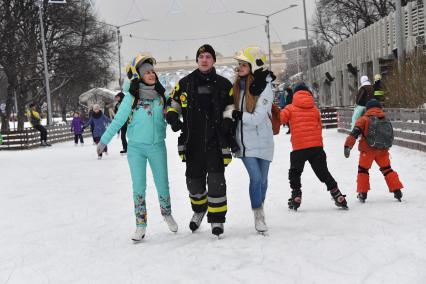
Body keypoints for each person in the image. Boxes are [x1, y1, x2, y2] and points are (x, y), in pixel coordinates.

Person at [98, 54, 177, 242]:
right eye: (147, 72)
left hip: (157, 146)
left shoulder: (161, 95)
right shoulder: (131, 98)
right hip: (136, 149)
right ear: (139, 76)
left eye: (152, 71)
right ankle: (140, 225)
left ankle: (166, 214)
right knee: (139, 187)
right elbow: (118, 121)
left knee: (162, 183)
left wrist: (176, 113)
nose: (151, 74)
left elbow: (175, 109)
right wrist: (103, 141)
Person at [166, 44, 233, 237]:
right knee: (193, 183)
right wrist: (172, 116)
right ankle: (199, 209)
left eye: (208, 57)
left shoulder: (224, 84)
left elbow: (230, 107)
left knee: (216, 181)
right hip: (192, 141)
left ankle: (217, 219)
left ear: (213, 60)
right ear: (197, 60)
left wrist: (228, 121)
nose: (204, 60)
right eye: (201, 56)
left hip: (216, 140)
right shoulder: (184, 83)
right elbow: (174, 104)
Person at [223, 46, 275, 233]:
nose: (240, 67)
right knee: (256, 178)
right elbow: (227, 109)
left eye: (244, 64)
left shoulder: (265, 88)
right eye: (239, 64)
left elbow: (257, 118)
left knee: (263, 181)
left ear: (253, 65)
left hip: (264, 141)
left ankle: (259, 207)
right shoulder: (236, 86)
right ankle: (258, 214)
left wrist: (235, 114)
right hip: (244, 143)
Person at [280, 83, 348, 211]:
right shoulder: (315, 109)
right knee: (323, 172)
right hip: (316, 147)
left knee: (295, 172)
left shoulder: (290, 108)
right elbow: (319, 126)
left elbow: (280, 119)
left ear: (295, 94)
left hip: (299, 147)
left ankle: (296, 195)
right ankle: (337, 195)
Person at [344, 99, 403, 202]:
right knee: (387, 169)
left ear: (367, 109)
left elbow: (355, 133)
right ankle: (397, 190)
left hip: (367, 151)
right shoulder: (385, 119)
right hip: (383, 150)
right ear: (379, 108)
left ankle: (362, 193)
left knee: (363, 170)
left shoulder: (364, 119)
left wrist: (347, 146)